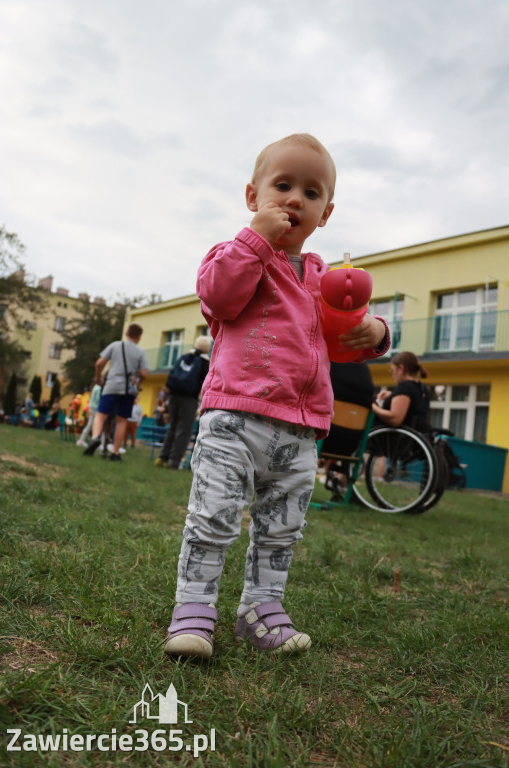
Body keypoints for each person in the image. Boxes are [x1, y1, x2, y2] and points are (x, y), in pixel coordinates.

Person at [164, 133, 390, 660]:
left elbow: (339, 336)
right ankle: (193, 611)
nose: (294, 199)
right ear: (252, 197)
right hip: (234, 416)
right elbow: (218, 296)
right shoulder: (235, 254)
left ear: (325, 213)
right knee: (214, 515)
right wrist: (253, 240)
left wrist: (375, 332)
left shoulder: (323, 279)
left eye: (310, 193)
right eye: (282, 186)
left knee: (281, 529)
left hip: (300, 426)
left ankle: (260, 610)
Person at [83, 323, 149, 462]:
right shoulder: (140, 352)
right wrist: (136, 380)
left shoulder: (115, 345)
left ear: (126, 333)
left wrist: (99, 378)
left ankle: (95, 438)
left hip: (111, 385)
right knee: (122, 420)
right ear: (139, 337)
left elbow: (99, 363)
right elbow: (144, 373)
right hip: (129, 390)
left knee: (101, 415)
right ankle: (115, 452)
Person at [154, 336, 211, 470]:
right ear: (207, 349)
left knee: (173, 426)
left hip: (173, 396)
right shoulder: (204, 363)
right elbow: (204, 384)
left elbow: (172, 374)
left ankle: (163, 456)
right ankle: (175, 461)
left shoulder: (184, 357)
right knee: (184, 430)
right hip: (189, 399)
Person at [372, 351, 430, 431]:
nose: (392, 375)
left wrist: (372, 406)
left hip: (394, 438)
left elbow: (395, 419)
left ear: (401, 369)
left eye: (392, 371)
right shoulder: (422, 387)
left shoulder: (405, 386)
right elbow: (412, 403)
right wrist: (393, 395)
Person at [76, 379, 102, 447]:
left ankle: (81, 439)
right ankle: (96, 443)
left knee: (89, 425)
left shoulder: (94, 388)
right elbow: (97, 399)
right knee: (98, 426)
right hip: (96, 408)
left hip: (91, 408)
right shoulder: (99, 388)